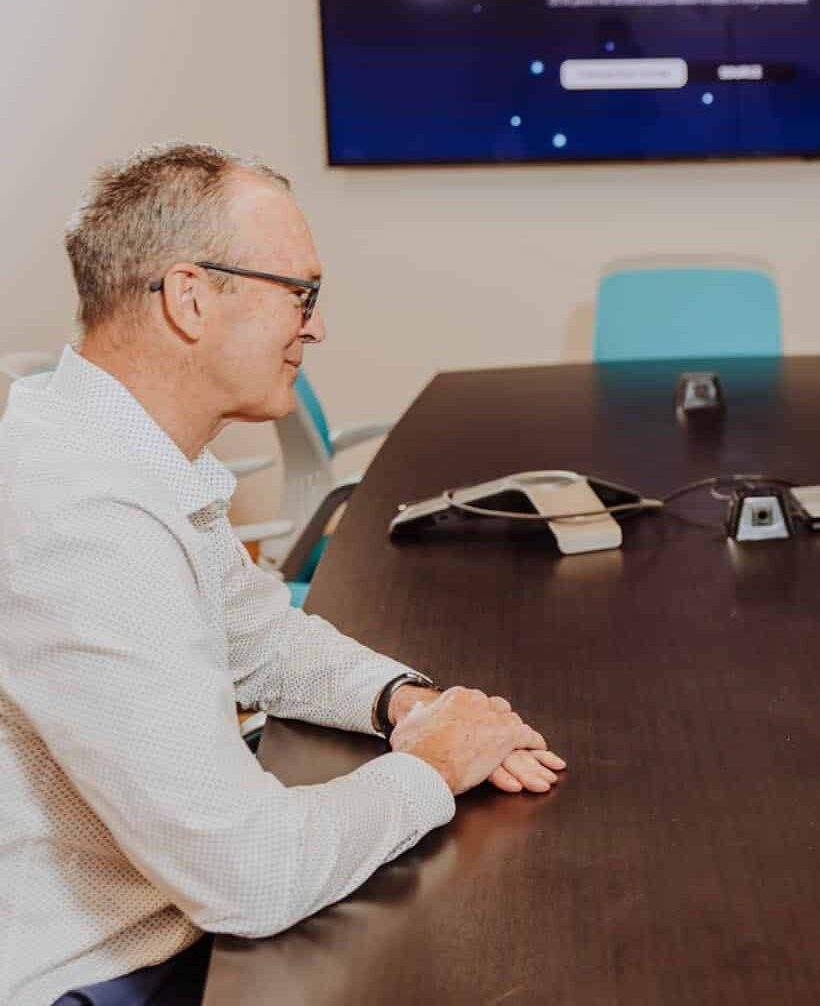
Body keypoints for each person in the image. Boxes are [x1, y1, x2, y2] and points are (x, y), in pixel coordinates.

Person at [0, 144, 566, 1005]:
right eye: (300, 293)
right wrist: (432, 768)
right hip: (102, 974)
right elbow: (249, 873)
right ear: (191, 299)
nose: (317, 325)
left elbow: (260, 636)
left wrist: (404, 702)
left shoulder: (113, 448)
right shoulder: (83, 519)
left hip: (167, 923)